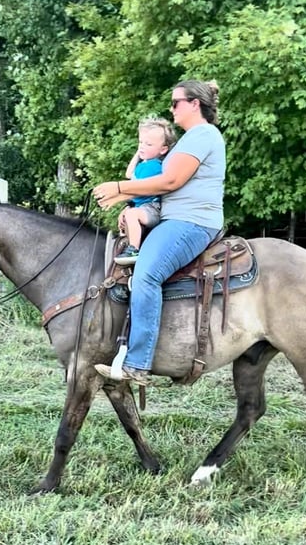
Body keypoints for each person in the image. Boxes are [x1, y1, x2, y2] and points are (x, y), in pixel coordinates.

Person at [92, 79, 226, 385]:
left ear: (195, 104)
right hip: (177, 219)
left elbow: (169, 182)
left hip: (189, 222)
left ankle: (137, 364)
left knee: (146, 275)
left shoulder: (201, 135)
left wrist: (119, 188)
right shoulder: (192, 139)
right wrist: (127, 200)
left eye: (176, 102)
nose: (172, 108)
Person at [114, 117, 177, 265]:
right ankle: (128, 239)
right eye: (140, 142)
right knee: (128, 215)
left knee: (131, 214)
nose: (142, 146)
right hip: (141, 207)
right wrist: (139, 152)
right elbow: (129, 175)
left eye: (148, 144)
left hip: (151, 208)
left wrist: (118, 196)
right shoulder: (143, 164)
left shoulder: (154, 166)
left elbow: (139, 189)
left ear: (163, 149)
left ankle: (134, 248)